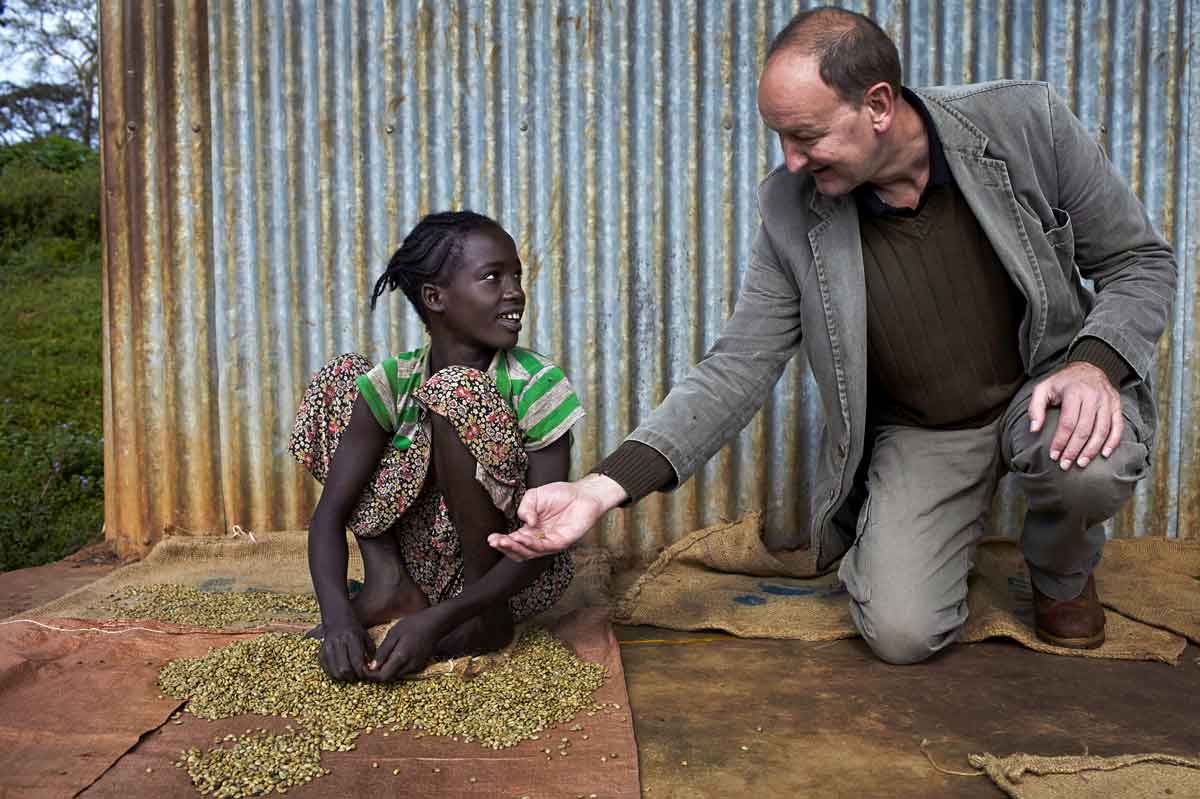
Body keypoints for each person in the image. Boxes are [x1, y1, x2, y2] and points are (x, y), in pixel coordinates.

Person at [488, 8, 1175, 664]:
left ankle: (1061, 566)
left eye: (805, 136)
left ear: (877, 105)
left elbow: (1139, 261)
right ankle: (924, 534)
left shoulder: (1025, 123)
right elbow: (736, 367)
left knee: (1087, 466)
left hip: (1044, 387)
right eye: (780, 138)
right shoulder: (791, 208)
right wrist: (601, 488)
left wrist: (1093, 365)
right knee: (901, 632)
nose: (790, 161)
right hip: (929, 429)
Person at [290, 210, 585, 681]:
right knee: (343, 376)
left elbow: (544, 541)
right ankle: (389, 583)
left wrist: (446, 618)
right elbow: (329, 514)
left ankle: (481, 620)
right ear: (436, 298)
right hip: (421, 559)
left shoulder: (536, 383)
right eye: (492, 277)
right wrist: (336, 619)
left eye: (516, 276)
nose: (515, 292)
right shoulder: (396, 380)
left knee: (455, 391)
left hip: (508, 576)